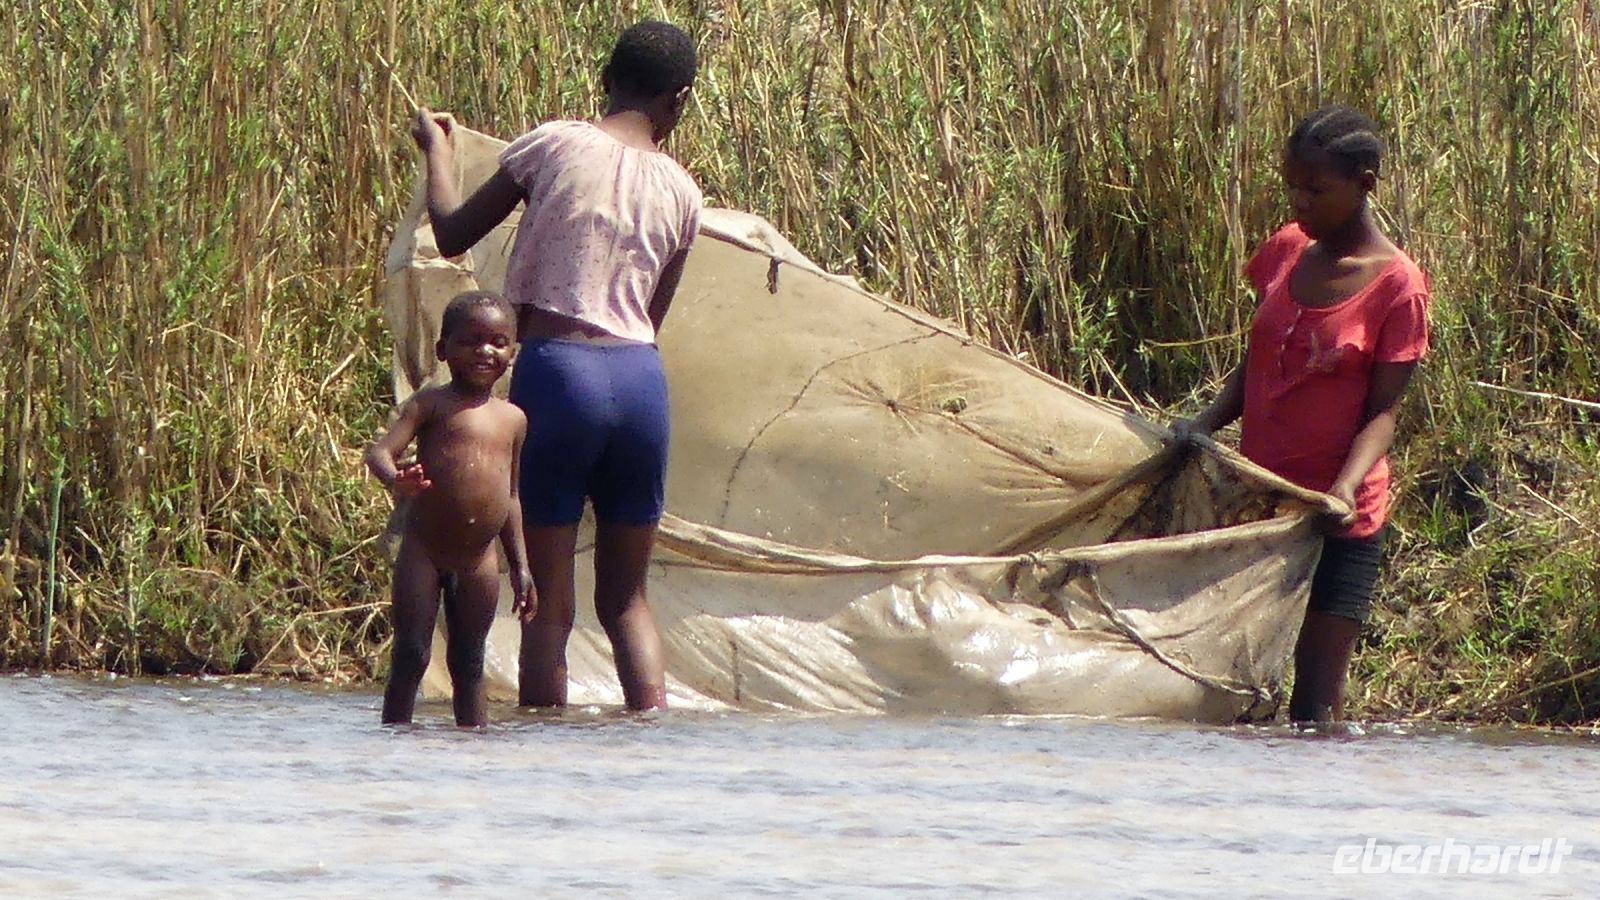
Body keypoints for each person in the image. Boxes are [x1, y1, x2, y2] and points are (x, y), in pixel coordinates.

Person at [408, 21, 703, 711]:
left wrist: (437, 151)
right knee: (628, 600)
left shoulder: (556, 143)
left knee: (547, 603)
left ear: (605, 79)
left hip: (558, 374)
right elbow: (651, 319)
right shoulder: (683, 192)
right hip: (639, 385)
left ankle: (549, 771)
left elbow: (451, 233)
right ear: (678, 100)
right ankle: (650, 748)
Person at [1174, 105, 1430, 724]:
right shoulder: (1287, 252)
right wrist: (1200, 426)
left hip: (1341, 519)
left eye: (1316, 189)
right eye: (1292, 185)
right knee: (1224, 677)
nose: (1299, 202)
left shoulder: (1398, 287)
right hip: (1260, 503)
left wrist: (1342, 488)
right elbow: (1257, 367)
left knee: (1315, 704)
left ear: (1365, 184)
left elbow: (1384, 413)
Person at [366, 290, 534, 726]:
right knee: (411, 653)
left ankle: (471, 749)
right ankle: (393, 738)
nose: (485, 351)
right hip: (425, 550)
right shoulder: (430, 405)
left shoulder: (514, 419)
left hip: (480, 559)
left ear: (513, 352)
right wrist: (395, 481)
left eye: (497, 342)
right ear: (443, 350)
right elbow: (379, 453)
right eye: (470, 341)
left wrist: (521, 566)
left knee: (470, 662)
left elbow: (512, 497)